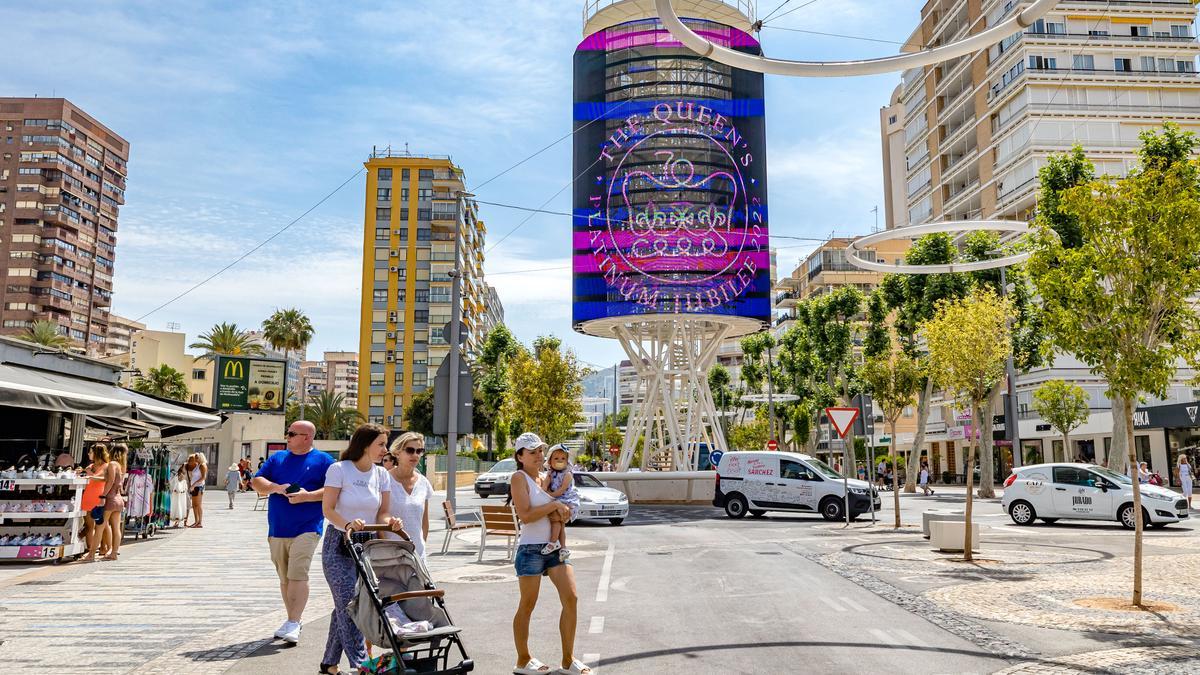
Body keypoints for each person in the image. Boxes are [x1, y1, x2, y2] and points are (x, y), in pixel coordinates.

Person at [320, 424, 404, 675]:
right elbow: (328, 509)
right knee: (349, 604)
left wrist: (391, 522)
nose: (385, 450)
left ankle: (328, 665)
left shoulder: (382, 475)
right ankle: (360, 665)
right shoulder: (339, 469)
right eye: (380, 444)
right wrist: (347, 523)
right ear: (365, 444)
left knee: (344, 606)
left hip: (366, 545)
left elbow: (383, 512)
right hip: (339, 542)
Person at [509, 433, 591, 675]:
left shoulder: (548, 478)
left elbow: (563, 505)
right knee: (527, 604)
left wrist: (564, 511)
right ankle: (523, 660)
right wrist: (554, 506)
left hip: (555, 548)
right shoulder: (518, 478)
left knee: (571, 598)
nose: (538, 455)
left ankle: (568, 660)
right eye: (532, 451)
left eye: (540, 451)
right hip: (531, 548)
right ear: (520, 456)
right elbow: (525, 515)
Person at [252, 420, 334, 646]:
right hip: (278, 527)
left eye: (291, 434)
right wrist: (277, 488)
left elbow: (334, 489)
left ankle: (294, 621)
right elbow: (256, 481)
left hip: (308, 526)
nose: (286, 437)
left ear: (307, 437)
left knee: (298, 572)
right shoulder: (277, 458)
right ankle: (292, 621)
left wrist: (307, 496)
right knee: (285, 576)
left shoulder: (324, 461)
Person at [383, 431, 433, 562]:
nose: (415, 455)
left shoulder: (423, 483)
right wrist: (384, 548)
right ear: (397, 452)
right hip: (390, 555)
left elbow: (424, 522)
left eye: (419, 451)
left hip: (417, 555)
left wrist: (422, 545)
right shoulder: (385, 480)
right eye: (410, 450)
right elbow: (378, 517)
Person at [541, 444, 579, 561]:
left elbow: (561, 491)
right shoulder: (550, 474)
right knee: (560, 525)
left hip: (567, 501)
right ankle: (563, 548)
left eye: (563, 459)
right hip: (557, 500)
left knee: (555, 520)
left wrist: (548, 496)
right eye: (556, 458)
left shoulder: (567, 475)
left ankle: (553, 542)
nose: (559, 461)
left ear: (567, 461)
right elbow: (544, 487)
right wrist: (547, 482)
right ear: (550, 461)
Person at [79, 444, 109, 563]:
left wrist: (88, 474)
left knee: (101, 525)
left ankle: (103, 548)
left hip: (98, 497)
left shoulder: (105, 466)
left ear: (96, 453)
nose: (88, 454)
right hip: (88, 496)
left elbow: (103, 479)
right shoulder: (91, 466)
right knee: (89, 525)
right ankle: (90, 550)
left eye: (90, 452)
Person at [99, 445, 127, 561]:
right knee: (116, 528)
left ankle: (93, 552)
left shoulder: (112, 464)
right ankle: (114, 552)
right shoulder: (122, 466)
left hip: (111, 498)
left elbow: (110, 482)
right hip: (119, 499)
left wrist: (103, 495)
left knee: (101, 526)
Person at [188, 453, 208, 528]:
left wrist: (193, 484)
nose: (195, 459)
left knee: (198, 505)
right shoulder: (197, 465)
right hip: (194, 487)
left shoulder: (203, 465)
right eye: (195, 458)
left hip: (199, 487)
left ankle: (200, 522)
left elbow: (203, 477)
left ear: (200, 458)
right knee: (194, 505)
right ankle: (196, 521)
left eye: (197, 458)